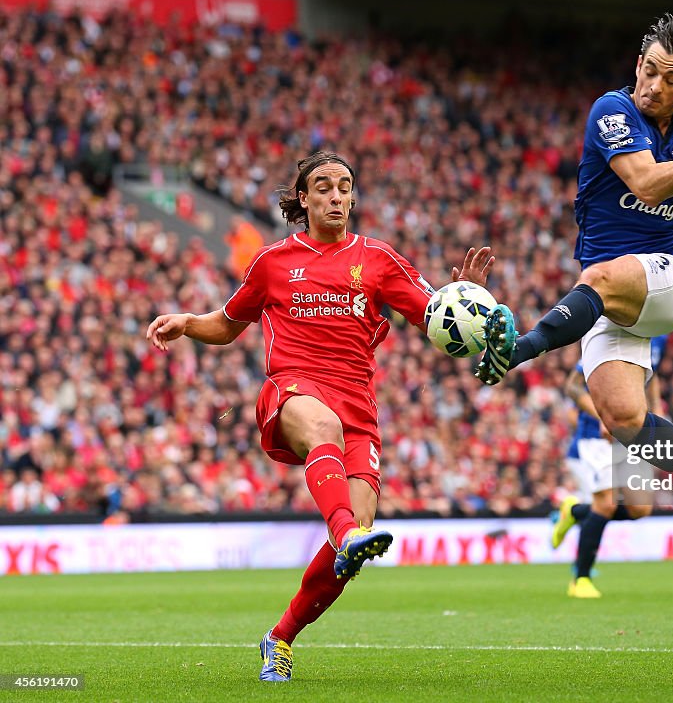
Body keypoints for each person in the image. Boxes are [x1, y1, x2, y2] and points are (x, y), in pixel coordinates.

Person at [146, 151, 494, 682]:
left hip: (358, 403)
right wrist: (189, 322)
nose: (337, 196)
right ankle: (345, 530)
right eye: (325, 187)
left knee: (350, 546)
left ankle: (279, 637)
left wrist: (468, 303)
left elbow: (437, 321)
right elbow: (227, 323)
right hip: (293, 389)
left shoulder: (378, 259)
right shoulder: (273, 262)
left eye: (345, 186)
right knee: (329, 454)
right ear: (303, 199)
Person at [474, 12, 673, 539]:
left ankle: (517, 350)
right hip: (613, 295)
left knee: (597, 280)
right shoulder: (611, 110)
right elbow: (645, 182)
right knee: (625, 424)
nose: (655, 86)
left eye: (671, 79)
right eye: (651, 71)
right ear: (638, 64)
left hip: (668, 280)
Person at [552, 335, 667, 598]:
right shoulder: (613, 331)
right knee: (606, 504)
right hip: (597, 436)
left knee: (640, 508)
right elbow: (573, 387)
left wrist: (657, 411)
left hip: (632, 435)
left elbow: (652, 372)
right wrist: (602, 415)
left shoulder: (660, 334)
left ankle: (576, 511)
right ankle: (580, 580)